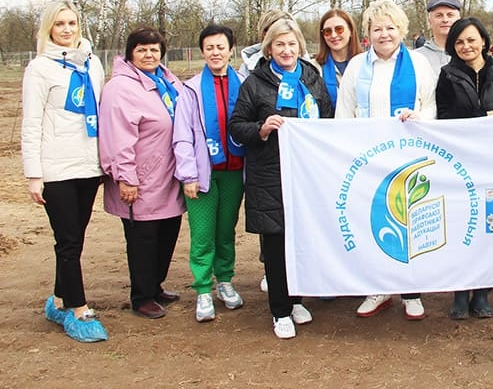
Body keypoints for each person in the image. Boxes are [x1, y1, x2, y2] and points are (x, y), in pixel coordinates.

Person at [229, 18, 334, 339]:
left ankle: (296, 299)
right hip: (270, 174)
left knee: (302, 241)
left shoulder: (312, 78)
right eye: (279, 45)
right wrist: (261, 129)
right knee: (276, 244)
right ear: (269, 48)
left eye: (291, 44)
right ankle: (280, 309)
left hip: (307, 175)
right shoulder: (254, 83)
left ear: (300, 46)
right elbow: (237, 125)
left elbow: (328, 118)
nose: (286, 51)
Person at [336, 0, 437, 320]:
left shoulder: (419, 64)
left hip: (408, 155)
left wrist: (420, 117)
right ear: (368, 33)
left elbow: (431, 105)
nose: (384, 34)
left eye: (390, 28)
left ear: (401, 30)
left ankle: (411, 291)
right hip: (367, 159)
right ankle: (377, 287)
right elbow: (344, 111)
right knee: (373, 221)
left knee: (409, 221)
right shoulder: (356, 67)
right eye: (377, 29)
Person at [21, 2, 108, 342]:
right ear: (49, 29)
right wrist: (34, 174)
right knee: (68, 241)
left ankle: (58, 299)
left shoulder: (92, 64)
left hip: (88, 166)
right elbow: (31, 123)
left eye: (72, 23)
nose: (67, 29)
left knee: (75, 238)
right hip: (56, 168)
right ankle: (78, 308)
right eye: (59, 24)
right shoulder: (39, 69)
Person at [99, 27, 186, 320]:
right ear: (130, 53)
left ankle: (155, 285)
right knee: (143, 240)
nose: (149, 55)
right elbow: (117, 137)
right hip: (141, 179)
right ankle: (142, 296)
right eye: (142, 50)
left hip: (169, 177)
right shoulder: (120, 89)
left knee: (167, 233)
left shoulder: (167, 81)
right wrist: (126, 177)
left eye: (154, 49)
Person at [436, 17, 493, 319]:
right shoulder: (447, 76)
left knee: (488, 228)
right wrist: (479, 121)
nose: (466, 46)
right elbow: (443, 117)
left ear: (484, 41)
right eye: (459, 42)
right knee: (461, 226)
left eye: (471, 40)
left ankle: (482, 292)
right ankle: (460, 292)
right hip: (460, 163)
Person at [173, 25, 246, 323]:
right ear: (202, 52)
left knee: (226, 231)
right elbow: (182, 135)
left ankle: (224, 280)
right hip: (204, 174)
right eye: (210, 48)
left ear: (231, 50)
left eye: (221, 47)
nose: (216, 53)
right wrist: (188, 175)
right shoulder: (190, 90)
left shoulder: (244, 84)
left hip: (235, 172)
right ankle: (203, 288)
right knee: (203, 234)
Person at [313, 8, 363, 107]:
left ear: (350, 31)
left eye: (339, 29)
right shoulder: (314, 68)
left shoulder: (366, 64)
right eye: (327, 31)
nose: (333, 35)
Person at [415, 0, 462, 75]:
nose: (445, 20)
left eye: (450, 15)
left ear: (459, 20)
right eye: (439, 15)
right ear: (430, 22)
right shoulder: (416, 58)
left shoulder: (470, 54)